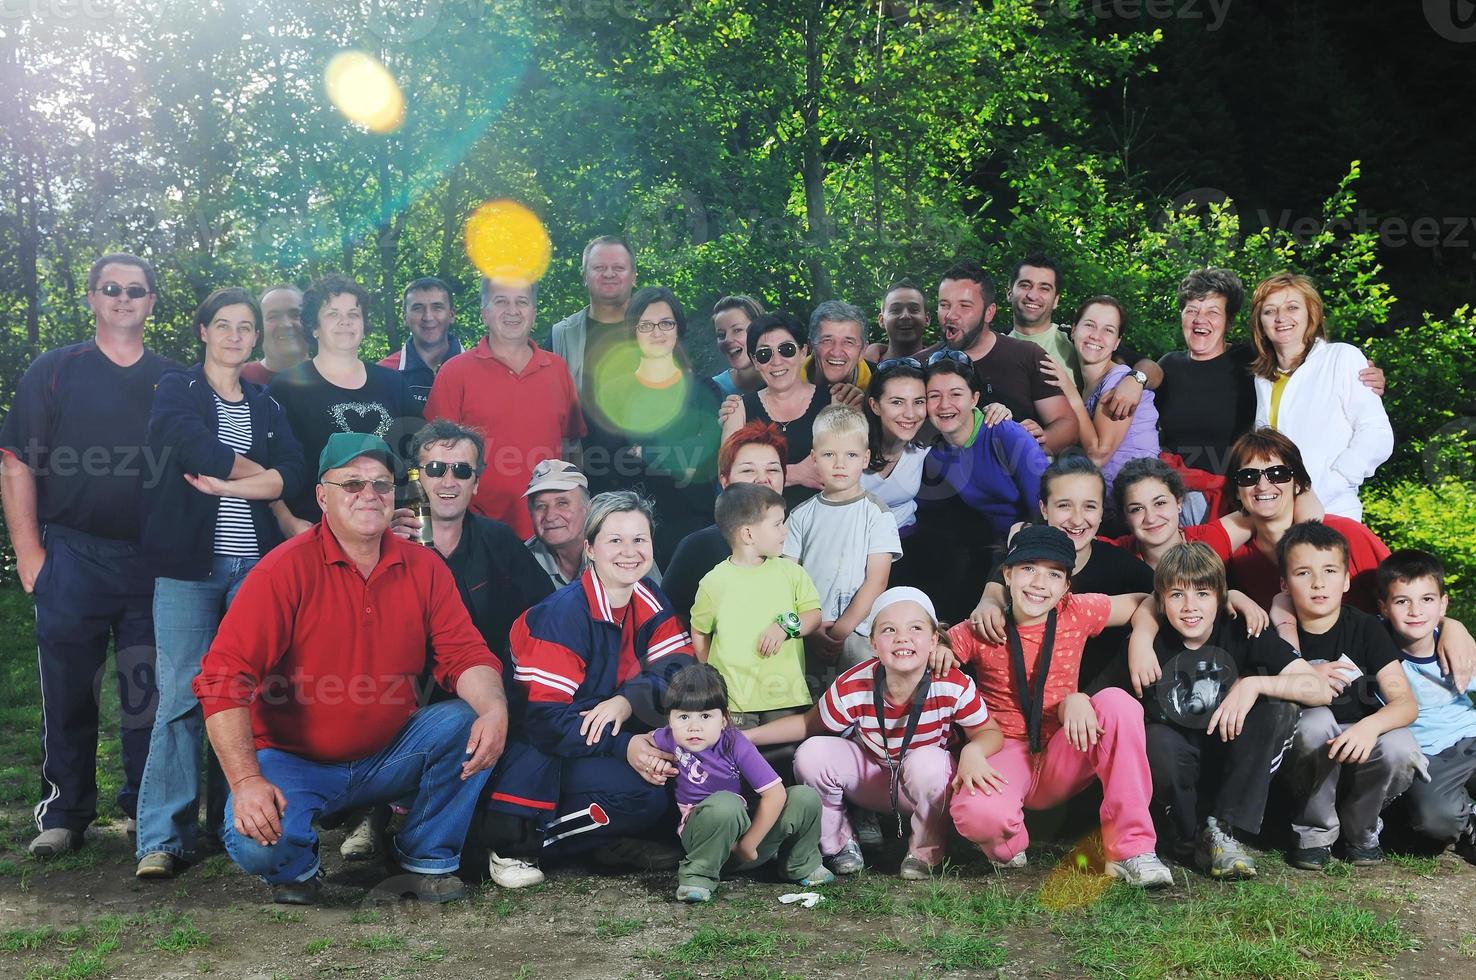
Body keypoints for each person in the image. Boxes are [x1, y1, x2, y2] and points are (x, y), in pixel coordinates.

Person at [192, 433, 510, 905]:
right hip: (292, 757)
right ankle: (299, 867)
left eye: (382, 484)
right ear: (322, 495)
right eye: (352, 483)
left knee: (469, 720)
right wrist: (244, 782)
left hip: (387, 749)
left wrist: (495, 708)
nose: (370, 494)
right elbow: (224, 678)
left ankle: (426, 858)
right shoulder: (282, 571)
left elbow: (464, 653)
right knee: (259, 846)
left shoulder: (423, 568)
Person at [0, 252, 178, 858]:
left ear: (152, 302)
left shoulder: (174, 379)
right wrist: (29, 552)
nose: (123, 298)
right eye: (111, 288)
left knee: (145, 690)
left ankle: (142, 808)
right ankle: (64, 812)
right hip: (72, 553)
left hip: (152, 559)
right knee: (67, 688)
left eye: (136, 289)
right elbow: (17, 461)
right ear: (92, 298)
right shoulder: (55, 370)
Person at [134, 288, 308, 879]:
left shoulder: (264, 402)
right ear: (203, 330)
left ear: (255, 337)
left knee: (245, 696)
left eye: (246, 327)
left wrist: (238, 486)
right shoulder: (176, 390)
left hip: (255, 569)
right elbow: (196, 450)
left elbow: (299, 469)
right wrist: (269, 478)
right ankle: (162, 837)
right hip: (189, 568)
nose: (235, 336)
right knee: (182, 695)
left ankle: (234, 823)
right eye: (224, 325)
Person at [481, 491, 695, 887]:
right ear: (590, 548)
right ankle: (511, 843)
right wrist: (625, 747)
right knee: (641, 794)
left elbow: (681, 670)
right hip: (541, 749)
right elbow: (544, 721)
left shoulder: (648, 596)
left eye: (639, 539)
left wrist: (627, 702)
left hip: (599, 736)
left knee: (666, 777)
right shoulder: (561, 615)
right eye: (615, 540)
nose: (629, 551)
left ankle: (602, 841)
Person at [945, 526, 1173, 887]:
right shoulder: (983, 626)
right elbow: (936, 652)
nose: (1040, 582)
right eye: (1029, 569)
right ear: (1007, 574)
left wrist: (1142, 640)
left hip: (1062, 748)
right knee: (976, 816)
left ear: (1067, 586)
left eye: (1054, 574)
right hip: (1004, 752)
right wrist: (944, 646)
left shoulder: (1076, 610)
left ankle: (1133, 849)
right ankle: (1009, 844)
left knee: (1117, 704)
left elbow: (1148, 599)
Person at [745, 588, 999, 880]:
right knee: (812, 752)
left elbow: (989, 732)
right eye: (889, 630)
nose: (902, 638)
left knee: (928, 761)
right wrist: (747, 737)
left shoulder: (952, 683)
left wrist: (973, 751)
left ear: (933, 641)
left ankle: (924, 853)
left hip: (922, 783)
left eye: (915, 628)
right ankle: (838, 845)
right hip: (873, 780)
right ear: (874, 644)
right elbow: (806, 725)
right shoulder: (854, 683)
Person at [1128, 543, 1330, 877]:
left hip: (1232, 760)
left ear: (1222, 598)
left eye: (1203, 594)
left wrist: (1255, 685)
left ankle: (1222, 831)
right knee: (1153, 736)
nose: (1190, 607)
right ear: (1162, 601)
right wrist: (1139, 638)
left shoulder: (1242, 629)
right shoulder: (1150, 643)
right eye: (1177, 595)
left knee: (1277, 709)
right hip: (1177, 769)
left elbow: (1319, 688)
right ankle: (1185, 833)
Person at [1276, 521, 1421, 870]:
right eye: (1302, 572)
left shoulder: (1366, 627)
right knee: (1317, 721)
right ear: (1284, 583)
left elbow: (1406, 703)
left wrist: (1369, 727)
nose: (1317, 583)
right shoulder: (1278, 632)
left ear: (1345, 580)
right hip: (1306, 759)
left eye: (1329, 571)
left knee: (1401, 745)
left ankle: (1361, 832)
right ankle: (1313, 834)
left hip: (1359, 747)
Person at [1155, 268, 1384, 481]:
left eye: (1212, 312)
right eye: (1191, 311)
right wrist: (1136, 378)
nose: (1199, 319)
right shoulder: (1167, 366)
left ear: (1229, 322)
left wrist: (1362, 376)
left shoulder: (1252, 361)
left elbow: (1307, 364)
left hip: (1243, 493)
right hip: (1180, 494)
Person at [653, 663, 831, 903]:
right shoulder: (666, 737)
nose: (694, 726)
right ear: (670, 720)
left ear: (724, 719)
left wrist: (749, 845)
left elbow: (775, 795)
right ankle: (698, 876)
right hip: (704, 843)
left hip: (749, 845)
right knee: (726, 804)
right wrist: (640, 755)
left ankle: (800, 864)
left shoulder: (734, 743)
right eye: (683, 717)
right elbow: (640, 741)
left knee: (805, 798)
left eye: (706, 716)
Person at [424, 276, 584, 539]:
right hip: (476, 531)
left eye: (522, 302)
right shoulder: (455, 373)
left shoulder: (557, 369)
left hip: (548, 532)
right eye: (501, 302)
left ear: (533, 312)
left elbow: (572, 448)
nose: (512, 311)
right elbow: (432, 459)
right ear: (484, 314)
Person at [269, 274, 419, 525]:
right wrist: (288, 523)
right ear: (313, 327)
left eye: (353, 314)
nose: (345, 322)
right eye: (332, 314)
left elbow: (416, 459)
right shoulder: (288, 387)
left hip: (387, 533)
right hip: (316, 533)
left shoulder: (393, 384)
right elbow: (269, 465)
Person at [909, 351, 1044, 622]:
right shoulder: (936, 455)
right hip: (985, 545)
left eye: (956, 394)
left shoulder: (1004, 433)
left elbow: (1044, 508)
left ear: (975, 399)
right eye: (934, 395)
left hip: (1026, 542)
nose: (944, 404)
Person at [592, 286, 722, 564]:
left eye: (666, 323)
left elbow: (712, 455)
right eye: (646, 325)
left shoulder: (705, 390)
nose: (657, 332)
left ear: (678, 329)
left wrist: (646, 453)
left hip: (695, 528)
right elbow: (608, 465)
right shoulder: (612, 394)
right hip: (628, 532)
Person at [1248, 273, 1393, 520]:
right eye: (1270, 311)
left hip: (1332, 509)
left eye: (1292, 307)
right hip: (1278, 516)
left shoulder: (1342, 357)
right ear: (1260, 323)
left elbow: (1376, 432)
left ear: (1310, 314)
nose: (1281, 318)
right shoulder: (1262, 378)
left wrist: (1338, 479)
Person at [690, 483, 821, 728]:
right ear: (748, 534)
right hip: (735, 701)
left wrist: (784, 626)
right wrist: (711, 672)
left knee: (783, 762)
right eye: (777, 524)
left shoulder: (791, 572)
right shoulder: (713, 583)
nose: (785, 531)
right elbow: (699, 630)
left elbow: (813, 616)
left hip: (785, 697)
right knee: (736, 761)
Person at [783, 405, 902, 672]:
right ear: (813, 458)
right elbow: (786, 580)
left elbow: (877, 580)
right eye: (828, 455)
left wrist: (840, 632)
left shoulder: (876, 513)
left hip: (856, 633)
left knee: (858, 701)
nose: (839, 464)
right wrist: (810, 630)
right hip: (808, 631)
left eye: (850, 454)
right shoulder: (801, 515)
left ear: (865, 457)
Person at [1377, 550, 1476, 863]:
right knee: (1433, 820)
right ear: (1383, 607)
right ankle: (1468, 819)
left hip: (1471, 740)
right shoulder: (1375, 649)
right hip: (1429, 758)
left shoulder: (1454, 646)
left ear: (1443, 604)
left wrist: (1453, 626)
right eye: (1402, 601)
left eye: (1427, 600)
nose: (1415, 610)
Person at [924, 259, 1077, 453]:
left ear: (989, 312)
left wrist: (1038, 440)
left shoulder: (1028, 355)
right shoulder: (922, 364)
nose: (951, 315)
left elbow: (1067, 425)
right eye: (944, 305)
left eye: (964, 306)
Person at [662, 421, 789, 625]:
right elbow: (667, 620)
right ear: (725, 482)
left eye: (773, 470)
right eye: (748, 471)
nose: (763, 479)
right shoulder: (698, 546)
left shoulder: (800, 534)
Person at [1005, 255, 1162, 416]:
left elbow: (1154, 369)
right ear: (1010, 292)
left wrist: (1135, 380)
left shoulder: (1077, 338)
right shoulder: (996, 348)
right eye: (1025, 285)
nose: (1033, 295)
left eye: (1044, 288)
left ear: (1056, 300)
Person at [1043, 297, 1161, 506]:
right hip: (1110, 504)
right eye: (1089, 325)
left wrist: (1069, 392)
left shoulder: (1118, 381)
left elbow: (1098, 456)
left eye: (1108, 330)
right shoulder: (1087, 386)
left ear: (1116, 342)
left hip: (1141, 505)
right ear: (1073, 330)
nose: (1096, 336)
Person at [719, 313, 832, 507]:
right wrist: (796, 473)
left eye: (786, 349)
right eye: (764, 354)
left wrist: (761, 477)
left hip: (825, 521)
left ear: (803, 351)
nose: (776, 361)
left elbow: (839, 470)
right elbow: (731, 481)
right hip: (760, 523)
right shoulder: (739, 410)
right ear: (755, 362)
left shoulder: (833, 401)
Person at [551, 234, 637, 393]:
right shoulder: (561, 337)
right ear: (585, 276)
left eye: (618, 267)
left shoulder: (658, 331)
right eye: (599, 268)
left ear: (633, 276)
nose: (609, 274)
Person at [861, 356, 929, 535]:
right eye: (897, 402)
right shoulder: (850, 446)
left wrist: (996, 410)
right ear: (875, 406)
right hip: (852, 546)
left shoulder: (926, 444)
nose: (910, 413)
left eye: (919, 402)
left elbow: (963, 418)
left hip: (907, 540)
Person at [379, 277, 462, 408]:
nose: (428, 317)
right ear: (405, 318)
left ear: (452, 315)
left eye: (437, 307)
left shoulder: (479, 371)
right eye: (418, 308)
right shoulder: (382, 374)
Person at [523, 459, 594, 589]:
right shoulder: (519, 564)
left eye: (562, 503)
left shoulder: (615, 553)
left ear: (587, 509)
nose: (550, 516)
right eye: (541, 506)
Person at [240, 284, 305, 385]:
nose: (286, 324)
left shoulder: (333, 376)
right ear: (258, 328)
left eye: (296, 315)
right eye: (273, 317)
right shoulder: (236, 379)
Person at [805, 300, 873, 396]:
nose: (836, 352)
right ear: (811, 346)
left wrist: (866, 407)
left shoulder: (881, 387)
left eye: (848, 342)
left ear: (862, 350)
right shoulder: (785, 379)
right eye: (827, 341)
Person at [708, 295, 765, 398]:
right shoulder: (713, 390)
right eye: (721, 335)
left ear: (760, 330)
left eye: (737, 330)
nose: (727, 340)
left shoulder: (788, 374)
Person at [861, 278, 929, 364]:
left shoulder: (942, 364)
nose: (905, 316)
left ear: (927, 319)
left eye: (914, 309)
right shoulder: (862, 369)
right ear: (882, 320)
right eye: (896, 310)